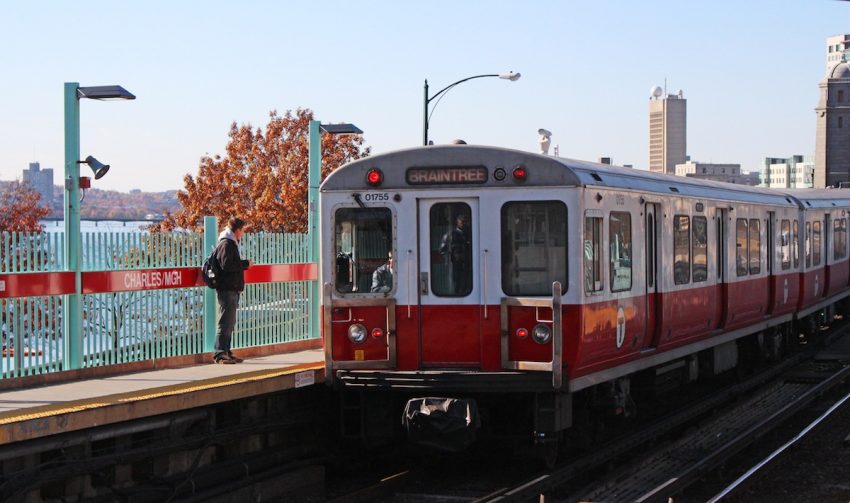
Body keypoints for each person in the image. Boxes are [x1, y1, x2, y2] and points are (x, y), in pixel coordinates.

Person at [212, 217, 251, 364]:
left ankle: (226, 351)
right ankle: (220, 353)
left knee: (230, 322)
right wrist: (245, 264)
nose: (243, 234)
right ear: (237, 230)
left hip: (231, 289)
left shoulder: (230, 243)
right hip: (227, 289)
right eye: (242, 231)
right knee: (225, 322)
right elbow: (227, 265)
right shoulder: (226, 244)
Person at [439, 214, 471, 294]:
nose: (463, 223)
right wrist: (452, 254)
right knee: (457, 284)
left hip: (469, 264)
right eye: (462, 221)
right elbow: (442, 250)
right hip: (455, 264)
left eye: (465, 221)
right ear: (457, 222)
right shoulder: (449, 235)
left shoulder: (471, 234)